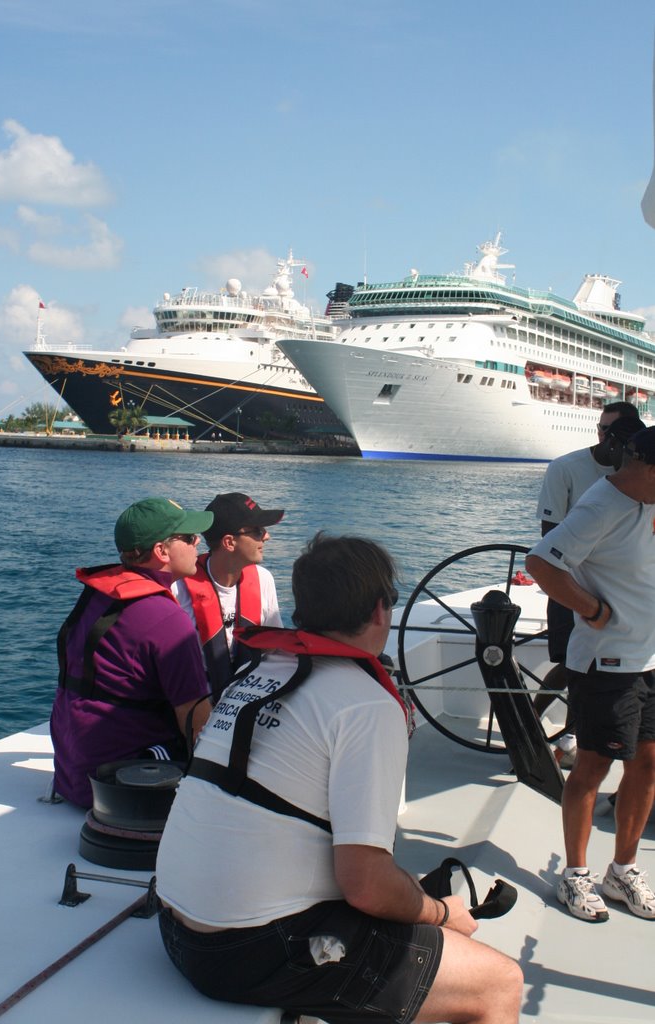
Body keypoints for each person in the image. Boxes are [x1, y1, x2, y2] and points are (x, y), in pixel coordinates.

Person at [156, 533, 523, 1024]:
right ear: (378, 611)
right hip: (248, 949)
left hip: (175, 925)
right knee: (499, 983)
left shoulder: (252, 677)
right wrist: (442, 914)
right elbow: (366, 885)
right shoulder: (366, 705)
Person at [526, 428, 655, 922]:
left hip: (650, 660)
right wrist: (592, 608)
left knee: (647, 764)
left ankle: (622, 870)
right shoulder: (601, 506)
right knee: (593, 768)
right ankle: (575, 876)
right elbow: (541, 562)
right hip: (607, 665)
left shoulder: (646, 503)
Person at [50, 497, 213, 807]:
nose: (198, 544)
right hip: (120, 785)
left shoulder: (98, 597)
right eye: (190, 538)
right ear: (161, 551)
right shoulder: (167, 619)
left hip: (74, 772)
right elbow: (196, 721)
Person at [534, 405, 644, 767]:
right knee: (571, 663)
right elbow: (548, 543)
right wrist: (590, 600)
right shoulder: (567, 468)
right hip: (574, 586)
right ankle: (537, 722)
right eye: (607, 430)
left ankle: (569, 739)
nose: (611, 440)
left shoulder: (636, 480)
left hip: (621, 594)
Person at [173, 492, 283, 701]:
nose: (266, 536)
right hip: (198, 708)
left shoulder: (264, 579)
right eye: (258, 531)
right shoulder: (178, 588)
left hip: (249, 705)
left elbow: (274, 651)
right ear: (229, 542)